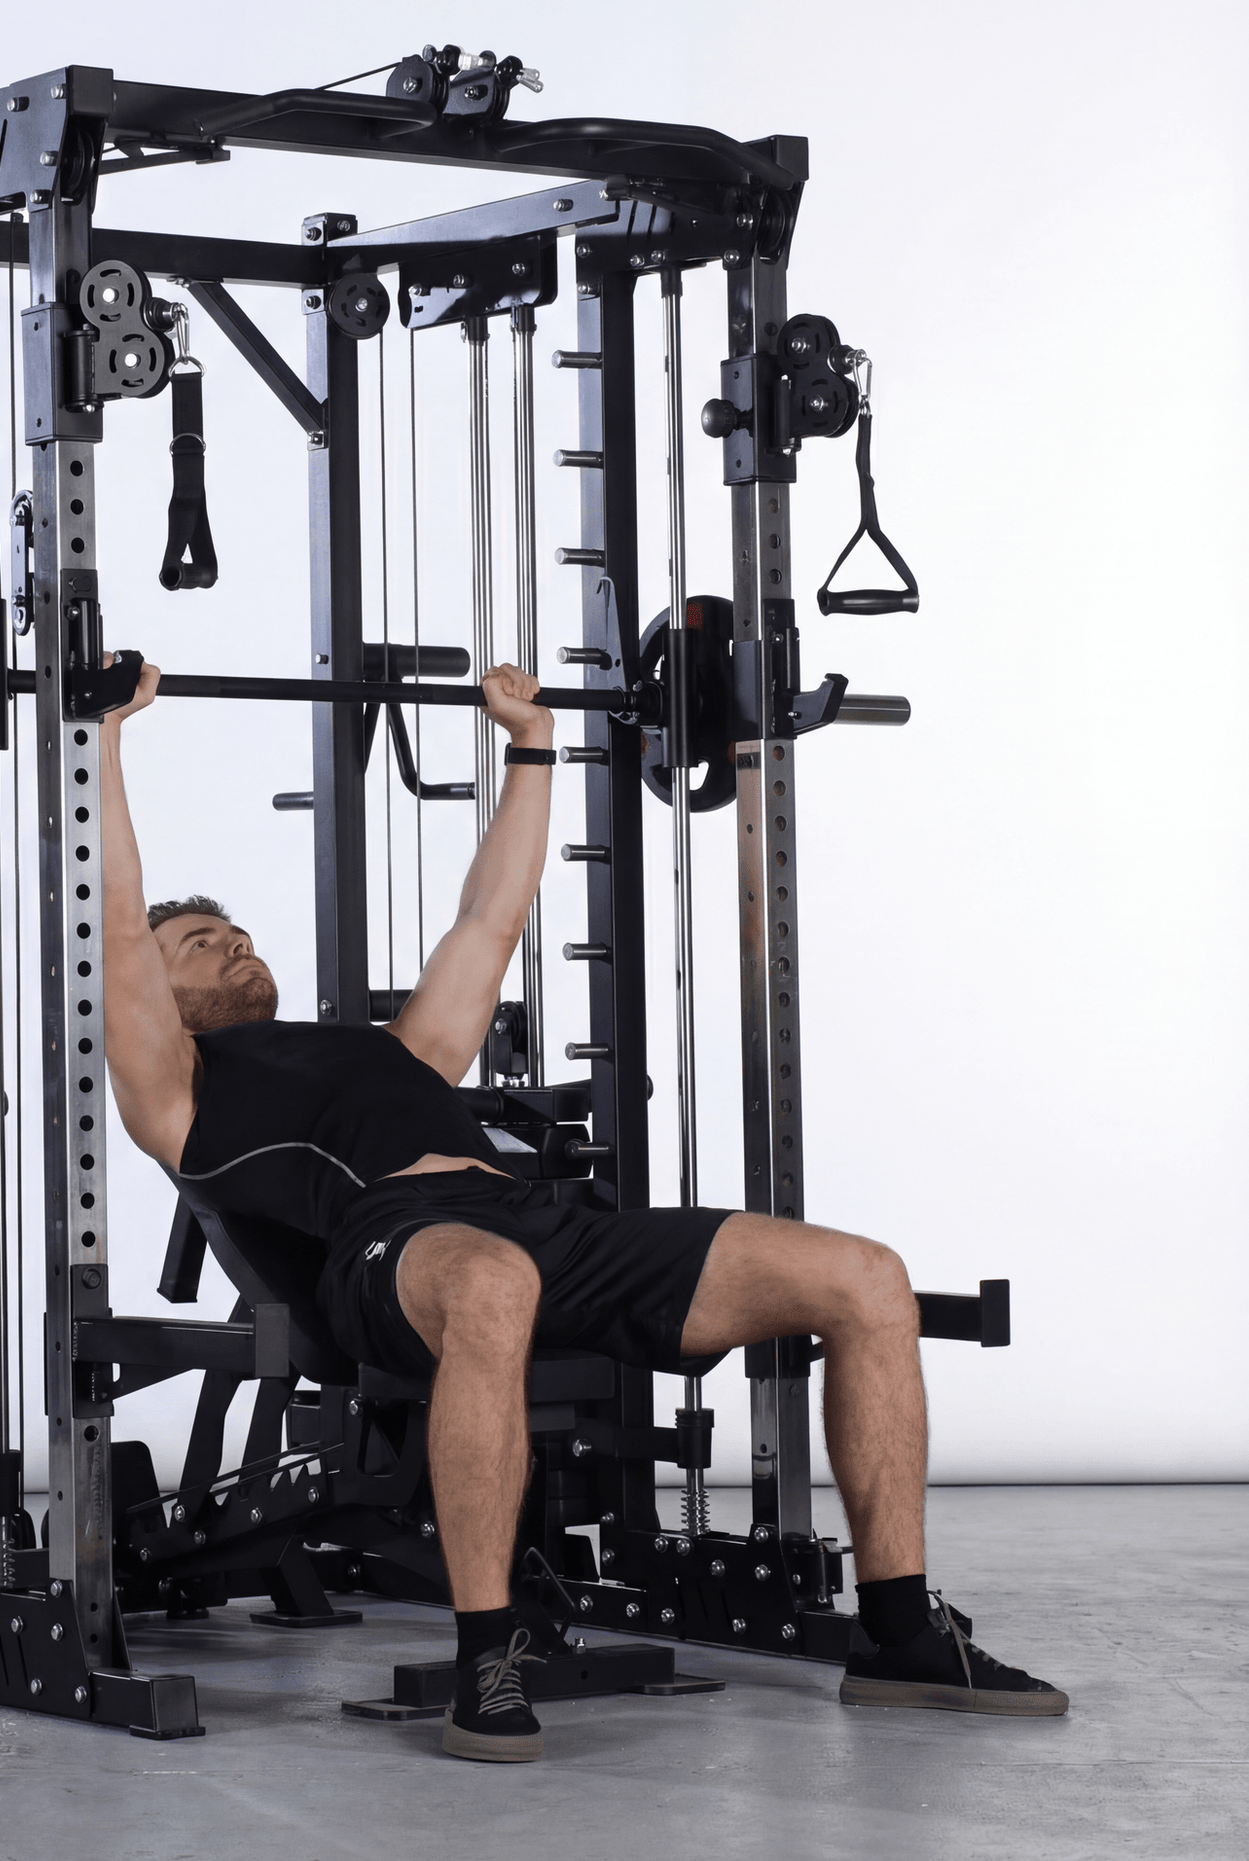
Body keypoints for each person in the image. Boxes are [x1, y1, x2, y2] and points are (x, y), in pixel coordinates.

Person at [98, 655, 1066, 1763]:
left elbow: (488, 920)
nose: (233, 943)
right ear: (157, 991)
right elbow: (116, 931)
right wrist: (105, 737)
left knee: (867, 1277)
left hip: (532, 1223)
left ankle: (900, 1633)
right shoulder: (178, 1088)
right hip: (390, 1250)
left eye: (235, 933)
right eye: (199, 943)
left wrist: (531, 745)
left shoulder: (397, 1050)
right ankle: (488, 1652)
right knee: (491, 1280)